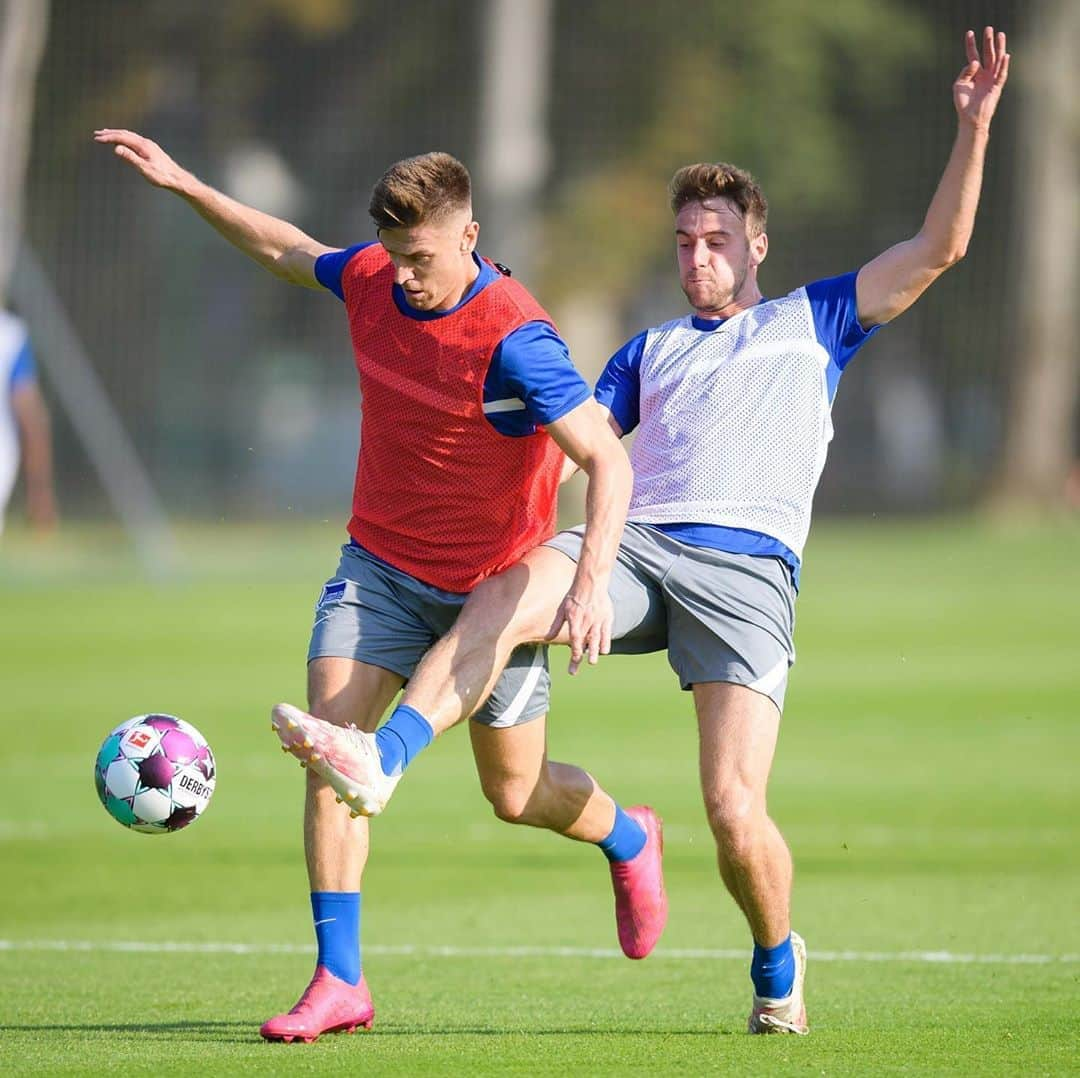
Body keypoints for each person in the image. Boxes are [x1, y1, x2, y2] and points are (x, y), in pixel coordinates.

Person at [276, 27, 1011, 1036]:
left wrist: (972, 128)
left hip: (748, 576)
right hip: (637, 553)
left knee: (731, 812)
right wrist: (541, 548)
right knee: (507, 584)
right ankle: (386, 755)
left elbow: (940, 250)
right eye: (682, 241)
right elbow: (571, 447)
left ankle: (776, 959)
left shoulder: (817, 320)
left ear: (756, 244)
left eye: (716, 240)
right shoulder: (647, 350)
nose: (696, 258)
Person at [95, 131, 668, 1042]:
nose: (404, 276)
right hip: (379, 571)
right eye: (395, 256)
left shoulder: (520, 340)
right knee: (332, 751)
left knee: (518, 796)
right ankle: (338, 981)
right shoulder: (370, 278)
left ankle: (630, 836)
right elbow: (288, 248)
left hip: (492, 589)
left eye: (423, 258)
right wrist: (187, 185)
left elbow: (607, 460)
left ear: (470, 234)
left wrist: (589, 582)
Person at [0, 309, 57, 535]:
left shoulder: (10, 336)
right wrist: (40, 490)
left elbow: (31, 418)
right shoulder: (9, 335)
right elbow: (31, 417)